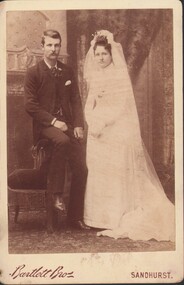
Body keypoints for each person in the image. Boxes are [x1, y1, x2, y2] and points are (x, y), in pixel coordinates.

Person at [83, 30, 175, 241]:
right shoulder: (95, 75)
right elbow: (90, 102)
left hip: (115, 129)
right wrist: (92, 121)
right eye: (97, 54)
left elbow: (119, 106)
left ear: (111, 54)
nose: (100, 58)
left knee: (114, 172)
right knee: (99, 171)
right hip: (98, 128)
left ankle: (114, 217)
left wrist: (103, 122)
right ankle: (97, 217)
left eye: (104, 54)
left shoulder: (118, 75)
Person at [24, 29, 90, 230]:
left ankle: (74, 217)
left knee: (82, 167)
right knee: (61, 141)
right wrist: (53, 122)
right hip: (46, 127)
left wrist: (78, 124)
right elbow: (30, 105)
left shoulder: (67, 71)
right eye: (49, 45)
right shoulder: (33, 72)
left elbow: (76, 100)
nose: (53, 49)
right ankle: (57, 195)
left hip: (67, 126)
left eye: (56, 45)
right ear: (42, 46)